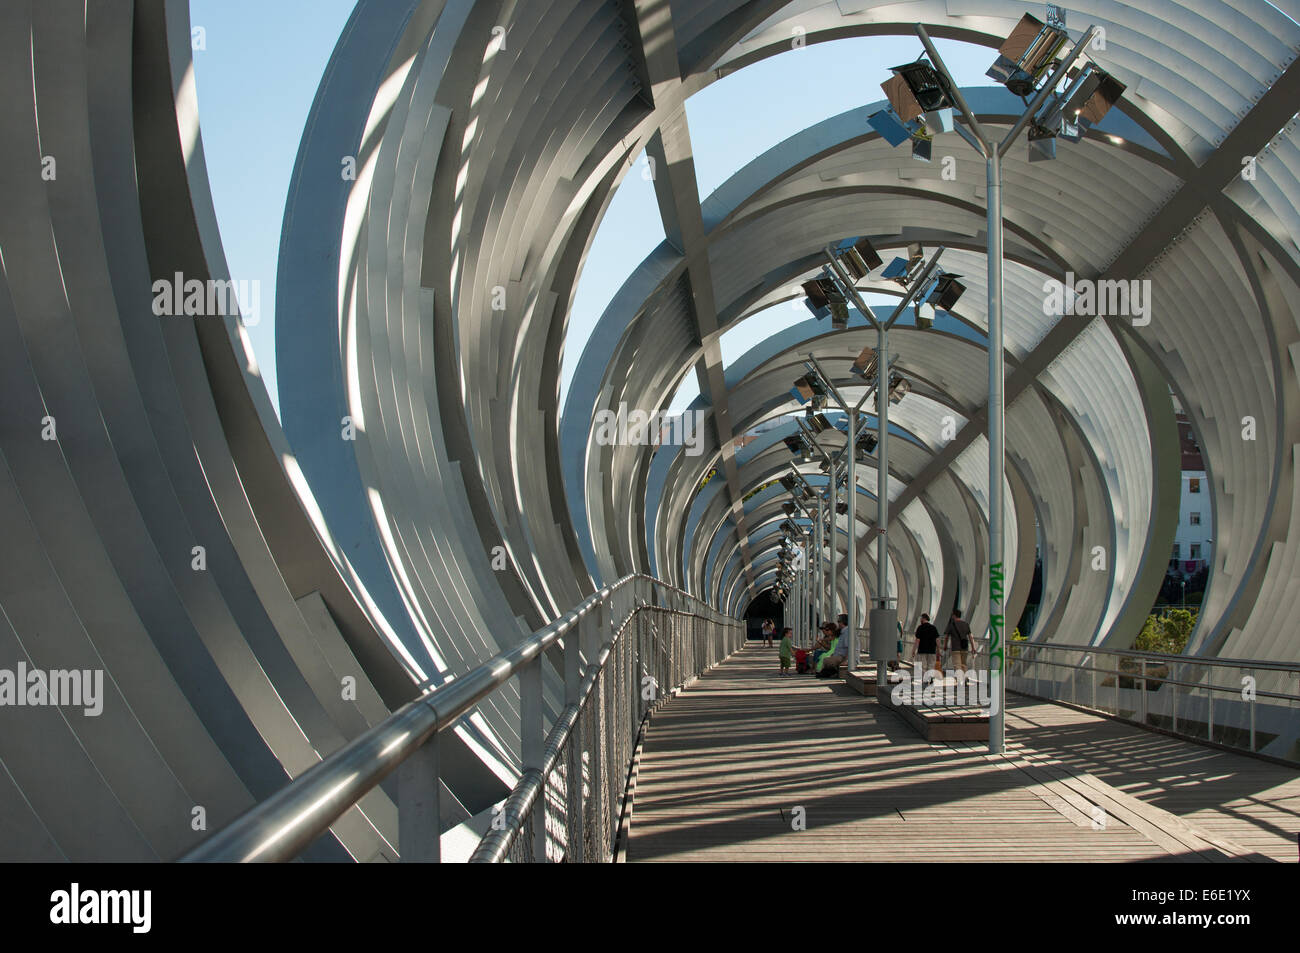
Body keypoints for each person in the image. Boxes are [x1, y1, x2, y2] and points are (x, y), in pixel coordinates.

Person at [911, 613, 941, 683]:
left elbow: (917, 640)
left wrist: (913, 650)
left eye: (921, 618)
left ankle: (925, 680)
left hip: (922, 650)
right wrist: (938, 650)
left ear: (924, 618)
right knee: (931, 665)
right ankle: (930, 678)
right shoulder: (933, 628)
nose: (920, 620)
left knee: (923, 666)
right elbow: (937, 640)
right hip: (932, 650)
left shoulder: (920, 628)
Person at [945, 608, 972, 677]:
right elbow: (970, 636)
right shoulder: (966, 624)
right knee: (963, 664)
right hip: (964, 648)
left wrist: (945, 645)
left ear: (954, 615)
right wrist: (973, 647)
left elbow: (946, 637)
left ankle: (960, 679)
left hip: (955, 648)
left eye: (952, 615)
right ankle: (965, 678)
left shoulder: (951, 625)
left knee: (957, 665)